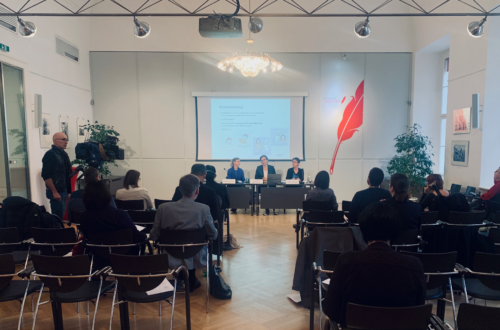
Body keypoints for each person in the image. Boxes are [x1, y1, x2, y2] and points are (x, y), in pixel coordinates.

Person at [322, 202, 426, 328]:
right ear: (396, 231)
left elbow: (330, 310)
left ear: (363, 230)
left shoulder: (346, 262)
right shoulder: (414, 266)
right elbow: (418, 313)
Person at [150, 174, 218, 292]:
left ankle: (180, 279)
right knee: (191, 247)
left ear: (180, 189)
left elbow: (154, 234)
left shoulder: (163, 208)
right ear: (197, 190)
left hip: (170, 251)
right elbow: (213, 234)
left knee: (181, 248)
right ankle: (190, 280)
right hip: (195, 251)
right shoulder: (204, 209)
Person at [79, 180, 146, 244]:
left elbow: (87, 237)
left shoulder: (84, 216)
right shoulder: (120, 215)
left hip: (98, 254)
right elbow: (137, 236)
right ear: (107, 194)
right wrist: (145, 236)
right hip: (124, 253)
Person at [41, 132, 73, 219]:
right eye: (63, 139)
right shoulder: (50, 154)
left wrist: (69, 191)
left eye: (66, 140)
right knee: (57, 218)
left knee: (61, 216)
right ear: (55, 141)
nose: (66, 142)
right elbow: (46, 175)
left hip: (64, 190)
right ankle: (56, 232)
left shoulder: (64, 154)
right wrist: (54, 192)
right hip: (56, 191)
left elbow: (67, 175)